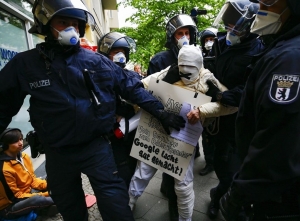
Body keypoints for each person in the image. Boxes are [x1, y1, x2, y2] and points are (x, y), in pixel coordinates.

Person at [0, 1, 185, 220]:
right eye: (63, 22)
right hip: (58, 152)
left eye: (75, 24)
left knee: (116, 206)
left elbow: (132, 88)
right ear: (46, 24)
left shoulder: (96, 61)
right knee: (70, 208)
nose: (72, 28)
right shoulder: (26, 64)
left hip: (95, 147)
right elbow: (3, 104)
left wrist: (160, 112)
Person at [219, 0, 300, 220]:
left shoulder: (295, 57)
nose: (259, 6)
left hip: (285, 199)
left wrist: (237, 195)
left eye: (268, 0)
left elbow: (277, 145)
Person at [129, 45, 238, 221]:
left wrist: (203, 110)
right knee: (142, 173)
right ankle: (128, 204)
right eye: (182, 69)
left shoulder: (208, 79)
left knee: (183, 185)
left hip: (183, 140)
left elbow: (232, 106)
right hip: (157, 132)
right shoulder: (169, 72)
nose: (186, 73)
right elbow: (139, 87)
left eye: (191, 69)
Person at [203, 0, 264, 219]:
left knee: (235, 171)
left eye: (234, 26)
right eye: (228, 25)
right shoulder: (220, 43)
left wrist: (221, 95)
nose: (229, 30)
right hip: (220, 120)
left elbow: (251, 88)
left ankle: (222, 199)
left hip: (243, 118)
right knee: (222, 165)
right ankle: (219, 195)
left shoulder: (259, 49)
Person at [146, 14, 199, 221]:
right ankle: (173, 205)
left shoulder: (197, 59)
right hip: (164, 122)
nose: (184, 37)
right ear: (172, 36)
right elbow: (148, 93)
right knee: (169, 168)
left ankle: (180, 210)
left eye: (187, 33)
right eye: (180, 33)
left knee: (183, 172)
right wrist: (167, 80)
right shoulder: (159, 60)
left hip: (188, 126)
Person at [97, 32, 141, 188]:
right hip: (111, 135)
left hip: (132, 132)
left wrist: (125, 111)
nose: (120, 56)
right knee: (120, 169)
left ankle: (130, 197)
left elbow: (140, 99)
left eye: (123, 52)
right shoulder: (98, 78)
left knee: (133, 165)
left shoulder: (133, 76)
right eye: (116, 52)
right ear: (106, 54)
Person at [0, 128, 57, 219]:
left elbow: (32, 180)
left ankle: (45, 206)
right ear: (5, 145)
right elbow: (15, 198)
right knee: (38, 199)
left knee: (52, 178)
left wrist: (49, 185)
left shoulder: (23, 156)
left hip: (26, 193)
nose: (20, 143)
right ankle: (60, 200)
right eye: (15, 141)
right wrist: (47, 194)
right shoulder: (4, 169)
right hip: (9, 206)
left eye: (20, 139)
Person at [197, 27, 219, 176]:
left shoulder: (221, 56)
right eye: (206, 40)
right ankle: (209, 162)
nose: (209, 42)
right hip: (204, 101)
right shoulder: (199, 57)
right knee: (206, 135)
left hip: (218, 101)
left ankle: (218, 161)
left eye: (212, 39)